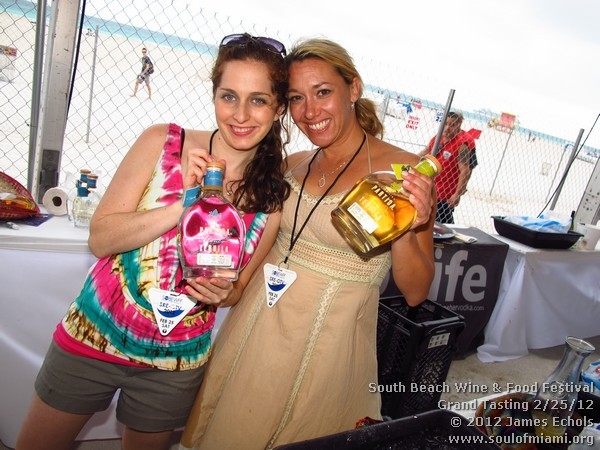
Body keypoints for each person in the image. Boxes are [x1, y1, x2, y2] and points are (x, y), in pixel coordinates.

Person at [15, 33, 290, 450]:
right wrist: (183, 205)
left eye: (258, 100)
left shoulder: (269, 198)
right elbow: (101, 238)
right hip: (94, 335)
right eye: (229, 96)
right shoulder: (164, 142)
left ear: (279, 107)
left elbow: (237, 290)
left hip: (175, 363)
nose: (240, 114)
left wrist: (223, 293)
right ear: (214, 95)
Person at [180, 38, 436, 450]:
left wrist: (408, 225)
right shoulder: (293, 163)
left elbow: (416, 291)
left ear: (353, 89)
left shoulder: (403, 171)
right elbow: (237, 228)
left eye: (322, 92)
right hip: (255, 328)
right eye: (297, 98)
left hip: (330, 342)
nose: (310, 111)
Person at [419, 110, 475, 223]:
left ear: (458, 126)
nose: (447, 128)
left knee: (441, 223)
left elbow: (465, 170)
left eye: (452, 125)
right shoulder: (438, 137)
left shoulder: (462, 144)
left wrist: (457, 194)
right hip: (429, 188)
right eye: (445, 124)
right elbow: (424, 152)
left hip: (444, 195)